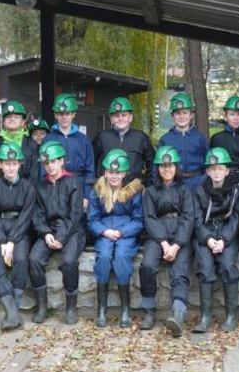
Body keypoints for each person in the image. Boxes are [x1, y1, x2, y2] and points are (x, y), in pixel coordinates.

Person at [139, 145, 195, 336]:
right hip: (158, 234)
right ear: (157, 168)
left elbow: (188, 218)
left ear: (176, 167)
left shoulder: (185, 191)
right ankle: (148, 310)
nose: (167, 169)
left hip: (180, 234)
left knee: (180, 271)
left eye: (170, 165)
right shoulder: (151, 192)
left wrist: (177, 245)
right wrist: (163, 243)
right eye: (163, 166)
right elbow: (150, 218)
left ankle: (178, 314)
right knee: (147, 265)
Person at [86, 149, 144, 328]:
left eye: (118, 172)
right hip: (105, 232)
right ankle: (101, 309)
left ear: (125, 173)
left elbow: (139, 220)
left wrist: (122, 232)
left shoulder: (133, 191)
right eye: (110, 172)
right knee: (103, 256)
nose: (114, 176)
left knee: (121, 257)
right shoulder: (98, 190)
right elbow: (92, 219)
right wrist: (103, 232)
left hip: (125, 234)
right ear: (105, 172)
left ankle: (126, 309)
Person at [29, 142, 85, 325]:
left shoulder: (74, 181)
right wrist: (45, 233)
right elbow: (36, 214)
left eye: (54, 161)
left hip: (71, 231)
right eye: (46, 163)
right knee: (34, 259)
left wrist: (61, 238)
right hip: (48, 229)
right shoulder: (40, 185)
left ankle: (71, 307)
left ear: (62, 161)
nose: (50, 166)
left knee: (69, 262)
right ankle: (43, 306)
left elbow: (76, 213)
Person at [0, 141, 37, 331]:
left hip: (19, 230)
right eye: (7, 163)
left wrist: (12, 241)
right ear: (0, 165)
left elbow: (26, 217)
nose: (11, 167)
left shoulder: (28, 188)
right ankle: (12, 312)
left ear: (20, 164)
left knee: (21, 259)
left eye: (14, 163)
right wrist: (2, 241)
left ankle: (13, 311)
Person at [192, 147, 239, 332]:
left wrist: (224, 240)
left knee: (228, 266)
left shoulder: (236, 190)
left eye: (220, 168)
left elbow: (236, 218)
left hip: (227, 235)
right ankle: (205, 317)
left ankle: (231, 316)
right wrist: (208, 240)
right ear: (207, 171)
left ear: (227, 170)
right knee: (205, 267)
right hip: (205, 234)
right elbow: (196, 219)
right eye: (212, 169)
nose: (216, 172)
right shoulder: (199, 190)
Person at [43, 93, 95, 213]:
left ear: (73, 114)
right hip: (54, 187)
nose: (64, 117)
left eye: (67, 113)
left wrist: (86, 196)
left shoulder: (84, 140)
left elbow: (90, 170)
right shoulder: (48, 139)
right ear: (56, 115)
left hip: (78, 186)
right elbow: (42, 170)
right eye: (61, 114)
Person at [93, 96, 155, 184]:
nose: (120, 118)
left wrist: (148, 186)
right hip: (107, 190)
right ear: (111, 119)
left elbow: (152, 163)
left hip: (133, 191)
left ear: (130, 117)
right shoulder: (102, 137)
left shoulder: (141, 137)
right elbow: (92, 163)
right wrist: (97, 184)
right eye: (116, 115)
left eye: (124, 115)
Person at [157, 93, 209, 189]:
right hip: (174, 184)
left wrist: (204, 181)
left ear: (191, 115)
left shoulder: (200, 138)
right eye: (178, 113)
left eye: (185, 113)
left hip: (197, 183)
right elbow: (157, 166)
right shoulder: (165, 139)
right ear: (172, 115)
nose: (181, 116)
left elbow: (207, 163)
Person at [0, 100, 39, 182]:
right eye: (8, 117)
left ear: (23, 122)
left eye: (16, 117)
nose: (12, 119)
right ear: (4, 121)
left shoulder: (32, 145)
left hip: (26, 192)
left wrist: (23, 190)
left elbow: (35, 174)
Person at [209, 95, 239, 184]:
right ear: (226, 116)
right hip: (222, 179)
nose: (236, 118)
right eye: (232, 114)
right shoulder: (217, 139)